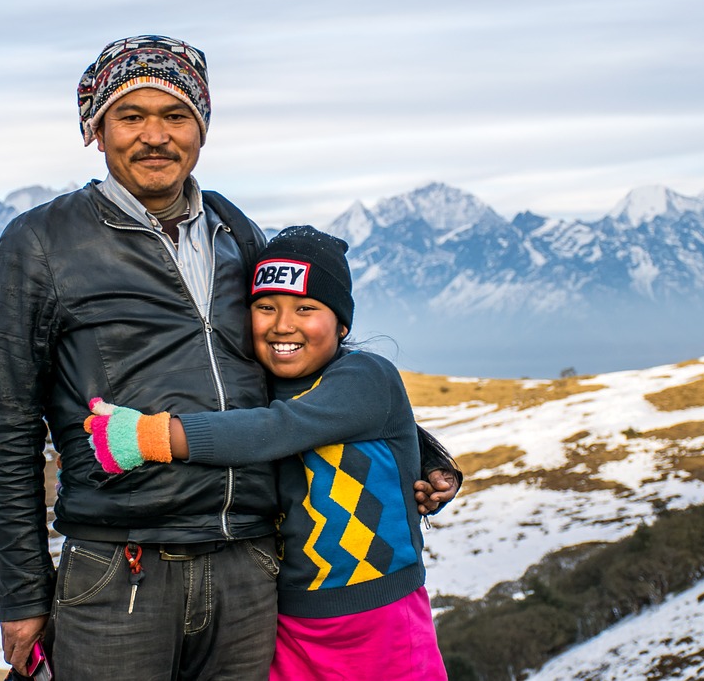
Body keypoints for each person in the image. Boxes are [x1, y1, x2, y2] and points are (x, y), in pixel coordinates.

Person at [0, 34, 460, 679]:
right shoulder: (41, 243)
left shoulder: (235, 232)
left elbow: (290, 370)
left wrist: (417, 453)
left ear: (202, 129)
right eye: (131, 116)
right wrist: (23, 593)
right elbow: (10, 424)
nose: (155, 136)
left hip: (251, 568)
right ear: (96, 129)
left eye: (176, 116)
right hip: (121, 570)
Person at [85, 226, 450, 679]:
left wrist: (152, 438)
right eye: (265, 307)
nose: (283, 324)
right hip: (290, 621)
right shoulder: (253, 386)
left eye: (306, 308)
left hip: (380, 616)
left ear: (342, 323)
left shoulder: (365, 375)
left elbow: (280, 428)